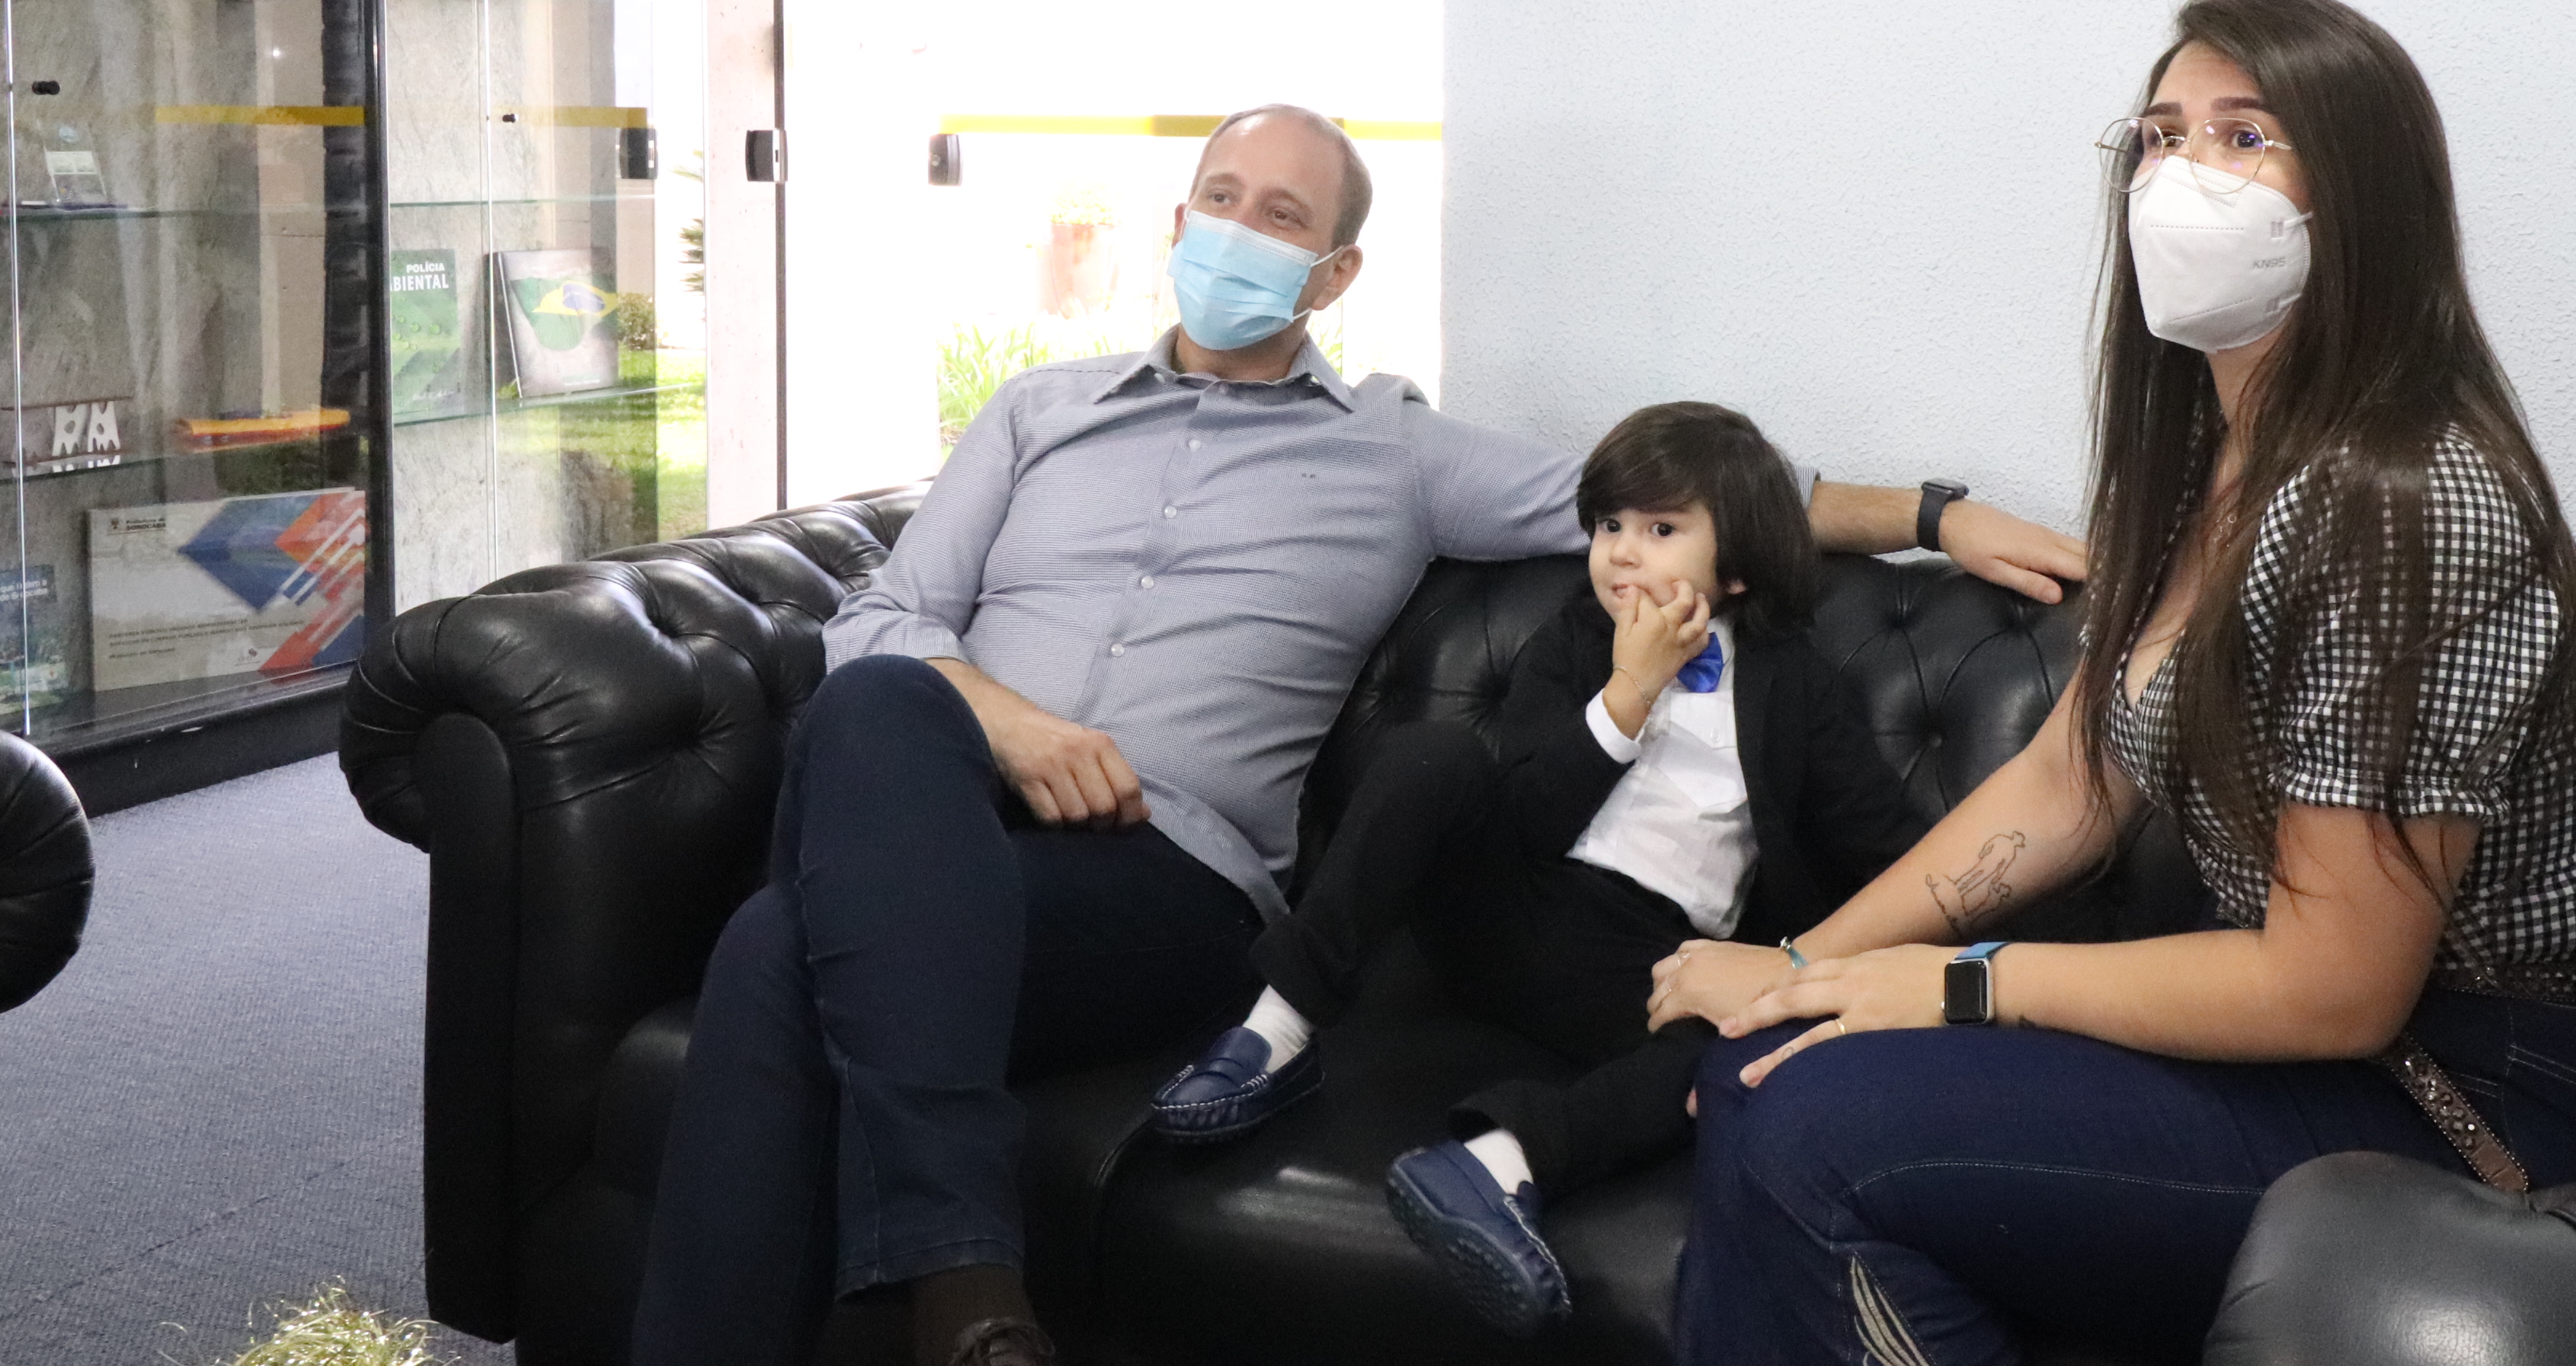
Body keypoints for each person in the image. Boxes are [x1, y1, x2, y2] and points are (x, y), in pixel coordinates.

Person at [628, 104, 2086, 1366]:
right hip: (944, 822)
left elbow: (1693, 507)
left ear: (1334, 272)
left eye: (1281, 217)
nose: (1236, 231)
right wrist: (1009, 726)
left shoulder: (1394, 448)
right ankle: (965, 1285)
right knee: (875, 721)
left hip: (1157, 883)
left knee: (781, 946)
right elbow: (881, 619)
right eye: (1218, 199)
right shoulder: (1036, 411)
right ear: (1176, 221)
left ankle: (942, 1265)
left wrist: (1936, 512)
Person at [1647, 0, 2576, 1366]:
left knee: (1801, 1128)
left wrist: (1959, 981)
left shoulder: (2400, 501)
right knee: (1762, 1058)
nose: (2185, 175)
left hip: (2455, 1094)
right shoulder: (2196, 463)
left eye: (2245, 138)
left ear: (2361, 194)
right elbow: (2069, 782)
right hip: (2316, 1054)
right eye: (2164, 136)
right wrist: (1803, 966)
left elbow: (2333, 988)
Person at [1145, 399, 1924, 1334]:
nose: (1622, 553)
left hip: (1649, 959)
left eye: (1661, 530)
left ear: (1739, 565)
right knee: (1435, 756)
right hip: (1511, 904)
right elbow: (1528, 814)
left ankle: (1494, 1166)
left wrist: (1922, 950)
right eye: (1609, 526)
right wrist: (1628, 692)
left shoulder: (1795, 685)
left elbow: (1887, 847)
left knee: (1740, 1047)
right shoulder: (1573, 643)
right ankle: (1276, 1029)